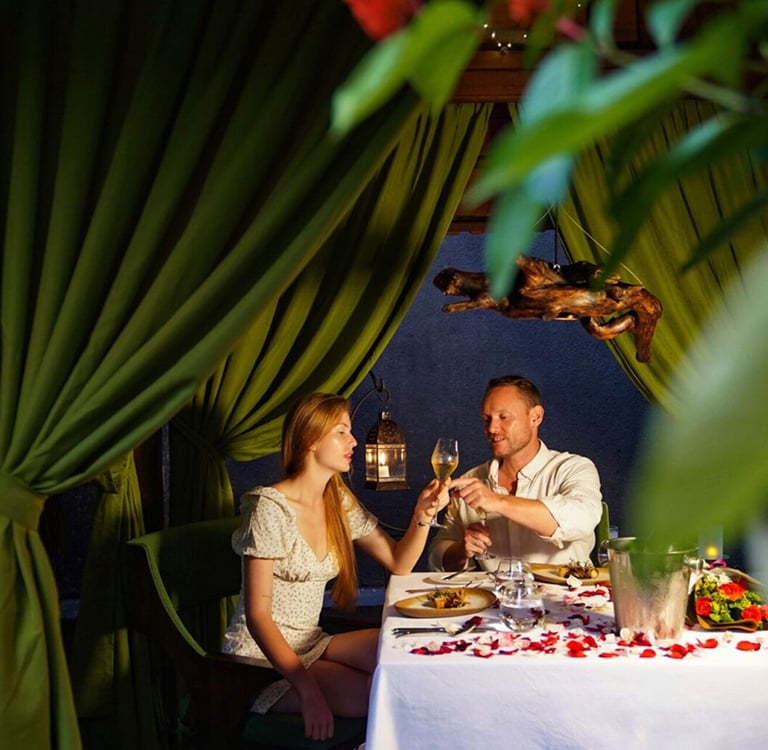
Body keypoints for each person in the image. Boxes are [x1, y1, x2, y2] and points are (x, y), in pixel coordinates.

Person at [222, 392, 448, 742]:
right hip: (259, 662)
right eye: (341, 432)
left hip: (312, 642)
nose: (354, 441)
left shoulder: (337, 501)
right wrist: (309, 691)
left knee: (413, 652)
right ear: (311, 439)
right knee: (373, 695)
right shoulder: (268, 507)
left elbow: (399, 563)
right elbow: (258, 616)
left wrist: (422, 515)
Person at [428, 375, 602, 572]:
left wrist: (498, 502)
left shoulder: (574, 468)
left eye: (504, 417)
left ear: (536, 417)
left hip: (566, 591)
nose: (492, 428)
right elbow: (437, 559)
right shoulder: (470, 481)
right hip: (495, 592)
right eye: (487, 419)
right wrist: (461, 550)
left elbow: (582, 519)